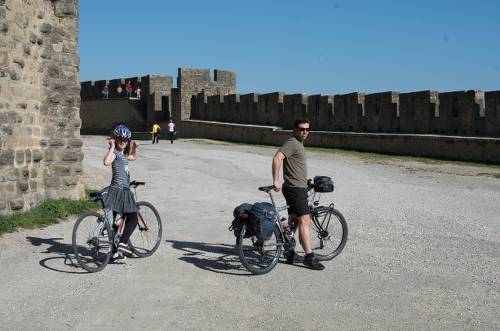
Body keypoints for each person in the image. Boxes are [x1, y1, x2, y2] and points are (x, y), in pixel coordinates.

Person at [272, 118, 325, 270]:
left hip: (297, 186)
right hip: (295, 189)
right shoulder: (292, 143)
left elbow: (294, 165)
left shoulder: (298, 144)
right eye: (302, 129)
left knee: (293, 220)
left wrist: (304, 180)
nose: (305, 132)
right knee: (305, 221)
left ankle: (290, 253)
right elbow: (277, 158)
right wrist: (275, 180)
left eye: (307, 129)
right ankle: (309, 257)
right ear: (295, 130)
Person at [102, 124, 140, 262]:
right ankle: (122, 244)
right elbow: (106, 162)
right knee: (133, 218)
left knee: (117, 224)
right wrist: (111, 146)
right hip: (119, 191)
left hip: (121, 191)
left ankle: (115, 253)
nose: (123, 141)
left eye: (125, 140)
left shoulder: (123, 155)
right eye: (120, 139)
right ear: (115, 139)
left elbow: (133, 157)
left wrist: (135, 148)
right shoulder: (115, 154)